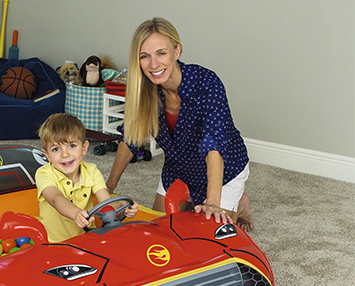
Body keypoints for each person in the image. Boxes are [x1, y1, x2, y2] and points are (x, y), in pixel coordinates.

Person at [106, 17, 254, 232]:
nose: (153, 65)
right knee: (161, 231)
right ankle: (196, 204)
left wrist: (213, 202)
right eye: (144, 56)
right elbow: (130, 138)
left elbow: (213, 143)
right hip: (180, 168)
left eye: (161, 53)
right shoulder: (142, 90)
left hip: (224, 171)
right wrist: (108, 187)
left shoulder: (207, 83)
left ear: (177, 51)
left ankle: (239, 204)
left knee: (208, 236)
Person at [36, 113, 139, 242]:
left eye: (72, 146)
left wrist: (123, 207)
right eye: (56, 149)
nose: (65, 154)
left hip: (88, 238)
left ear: (84, 148)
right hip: (55, 242)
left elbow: (106, 202)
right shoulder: (44, 174)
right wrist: (75, 213)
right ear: (47, 155)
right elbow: (56, 199)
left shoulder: (92, 171)